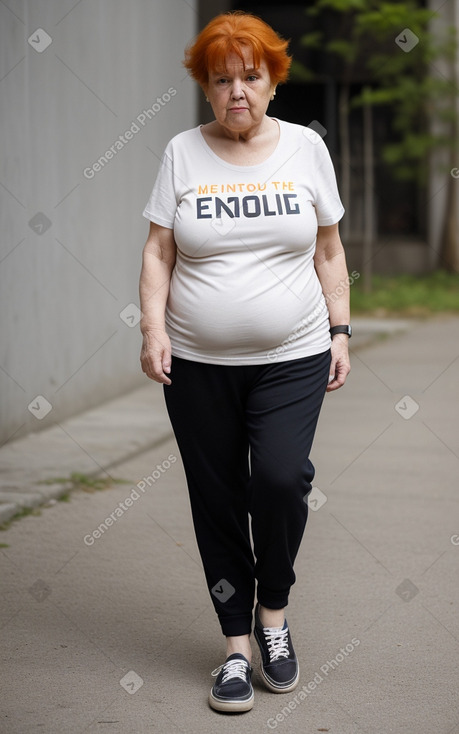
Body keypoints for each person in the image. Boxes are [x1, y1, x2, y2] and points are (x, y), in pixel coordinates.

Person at [139, 10, 351, 714]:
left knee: (282, 481)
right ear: (205, 87)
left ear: (272, 82)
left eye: (249, 77)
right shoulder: (181, 153)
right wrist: (151, 329)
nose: (236, 91)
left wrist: (340, 330)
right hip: (197, 364)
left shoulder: (304, 151)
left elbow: (327, 248)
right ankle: (235, 649)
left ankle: (275, 616)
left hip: (291, 354)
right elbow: (158, 251)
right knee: (217, 498)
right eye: (221, 79)